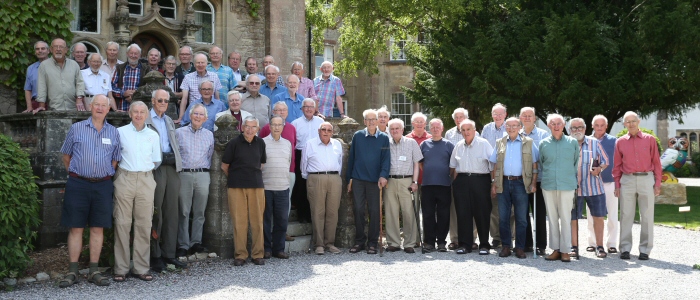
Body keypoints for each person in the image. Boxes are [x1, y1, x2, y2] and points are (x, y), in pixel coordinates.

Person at [58, 95, 119, 288]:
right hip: (78, 184)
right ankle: (73, 271)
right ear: (90, 107)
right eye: (97, 105)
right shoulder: (77, 129)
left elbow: (115, 160)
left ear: (108, 109)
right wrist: (78, 174)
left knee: (97, 227)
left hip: (102, 185)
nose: (100, 108)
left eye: (104, 105)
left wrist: (104, 172)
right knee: (75, 227)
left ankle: (94, 271)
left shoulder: (114, 132)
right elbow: (66, 156)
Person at [113, 101, 161, 282]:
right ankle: (121, 268)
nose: (139, 115)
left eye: (142, 112)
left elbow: (156, 160)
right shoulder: (120, 132)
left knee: (144, 224)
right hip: (125, 178)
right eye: (136, 112)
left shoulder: (153, 135)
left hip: (146, 179)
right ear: (130, 113)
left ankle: (141, 267)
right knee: (122, 223)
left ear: (146, 114)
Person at [145, 89, 187, 272]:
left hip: (171, 165)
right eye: (160, 100)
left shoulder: (169, 120)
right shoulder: (145, 119)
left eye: (166, 101)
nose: (163, 103)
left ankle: (169, 253)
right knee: (156, 212)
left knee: (172, 211)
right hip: (155, 167)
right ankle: (155, 255)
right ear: (153, 101)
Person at [613, 111, 662, 260]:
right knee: (626, 215)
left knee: (647, 215)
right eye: (628, 122)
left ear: (638, 122)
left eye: (633, 121)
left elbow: (656, 163)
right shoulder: (620, 142)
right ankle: (625, 248)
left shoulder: (650, 140)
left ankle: (645, 250)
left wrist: (657, 184)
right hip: (626, 180)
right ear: (624, 124)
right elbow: (617, 165)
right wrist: (617, 185)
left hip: (646, 179)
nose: (631, 124)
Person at [488, 117, 539, 259]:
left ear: (519, 127)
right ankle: (506, 246)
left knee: (521, 218)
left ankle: (520, 247)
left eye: (514, 126)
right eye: (508, 126)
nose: (511, 128)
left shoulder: (528, 143)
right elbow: (495, 164)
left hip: (521, 183)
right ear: (505, 127)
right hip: (503, 183)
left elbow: (535, 165)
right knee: (503, 217)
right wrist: (494, 183)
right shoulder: (500, 143)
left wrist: (533, 183)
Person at [221, 116, 267, 266]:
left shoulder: (260, 143)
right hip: (236, 186)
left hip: (256, 186)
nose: (250, 130)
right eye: (247, 126)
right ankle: (240, 255)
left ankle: (257, 254)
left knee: (257, 222)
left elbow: (262, 163)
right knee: (239, 222)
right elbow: (224, 166)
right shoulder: (234, 143)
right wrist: (237, 176)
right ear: (242, 127)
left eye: (253, 127)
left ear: (258, 129)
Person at [346, 109, 390, 254]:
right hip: (358, 179)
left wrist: (384, 175)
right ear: (364, 121)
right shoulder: (358, 136)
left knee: (374, 211)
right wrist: (349, 179)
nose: (371, 122)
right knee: (358, 210)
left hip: (375, 181)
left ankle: (372, 242)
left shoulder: (384, 138)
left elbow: (386, 158)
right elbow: (351, 158)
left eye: (374, 119)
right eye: (368, 119)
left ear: (378, 121)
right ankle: (359, 241)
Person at [176, 104, 215, 257]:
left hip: (203, 175)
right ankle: (183, 244)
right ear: (190, 116)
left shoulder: (209, 135)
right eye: (195, 114)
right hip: (184, 174)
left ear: (205, 119)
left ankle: (196, 242)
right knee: (184, 211)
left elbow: (210, 155)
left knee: (200, 210)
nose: (198, 117)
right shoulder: (179, 133)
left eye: (201, 115)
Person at [539, 114, 579, 262]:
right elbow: (542, 164)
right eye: (553, 124)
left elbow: (575, 163)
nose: (556, 126)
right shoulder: (543, 143)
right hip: (549, 184)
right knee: (553, 218)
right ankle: (556, 249)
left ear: (563, 126)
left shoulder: (572, 142)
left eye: (559, 123)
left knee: (566, 218)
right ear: (549, 126)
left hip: (567, 184)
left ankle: (566, 250)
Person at [451, 119, 494, 255]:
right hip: (462, 181)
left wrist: (493, 183)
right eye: (463, 130)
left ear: (474, 130)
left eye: (468, 129)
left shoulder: (484, 144)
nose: (466, 132)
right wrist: (456, 184)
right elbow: (453, 166)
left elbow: (493, 164)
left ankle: (484, 245)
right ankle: (465, 245)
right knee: (463, 213)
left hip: (480, 181)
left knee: (482, 213)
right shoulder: (458, 145)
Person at [568, 118, 609, 258]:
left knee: (598, 217)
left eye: (580, 127)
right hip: (573, 188)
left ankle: (600, 246)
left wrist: (599, 169)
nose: (577, 130)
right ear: (569, 130)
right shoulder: (566, 144)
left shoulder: (595, 143)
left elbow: (605, 161)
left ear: (585, 129)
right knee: (573, 218)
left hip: (594, 187)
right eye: (574, 128)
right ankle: (574, 247)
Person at [301, 122, 343, 255]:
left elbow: (340, 162)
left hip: (334, 178)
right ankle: (319, 244)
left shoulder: (337, 144)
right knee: (318, 212)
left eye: (329, 130)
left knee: (332, 212)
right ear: (319, 131)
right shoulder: (310, 144)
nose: (326, 132)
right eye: (323, 129)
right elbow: (304, 164)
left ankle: (329, 243)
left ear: (332, 132)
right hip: (316, 177)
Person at [385, 118, 423, 253]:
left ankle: (409, 243)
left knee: (409, 212)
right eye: (392, 129)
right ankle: (393, 242)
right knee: (391, 212)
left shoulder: (411, 143)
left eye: (397, 128)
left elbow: (416, 164)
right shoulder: (386, 143)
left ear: (402, 129)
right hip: (389, 181)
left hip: (407, 181)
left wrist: (415, 181)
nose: (394, 131)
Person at [443, 108, 478, 250]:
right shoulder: (449, 134)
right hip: (454, 176)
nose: (459, 119)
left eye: (461, 116)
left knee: (472, 208)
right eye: (456, 117)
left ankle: (472, 238)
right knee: (454, 209)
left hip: (470, 176)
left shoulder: (475, 133)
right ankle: (455, 238)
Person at [258, 102, 298, 222]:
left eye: (283, 110)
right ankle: (268, 232)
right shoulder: (266, 128)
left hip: (288, 171)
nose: (281, 112)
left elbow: (293, 147)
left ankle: (283, 231)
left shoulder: (292, 128)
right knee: (268, 206)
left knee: (286, 202)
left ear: (287, 112)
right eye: (278, 110)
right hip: (269, 174)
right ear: (273, 112)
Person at [419, 118, 454, 252]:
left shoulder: (448, 145)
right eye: (432, 127)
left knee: (443, 214)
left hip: (444, 185)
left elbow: (453, 166)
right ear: (429, 128)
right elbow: (421, 164)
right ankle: (430, 242)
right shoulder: (424, 144)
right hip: (427, 185)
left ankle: (441, 242)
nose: (435, 129)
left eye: (437, 127)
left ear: (442, 128)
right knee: (427, 214)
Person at [520, 107, 550, 255]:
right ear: (520, 117)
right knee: (523, 213)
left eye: (529, 116)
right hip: (521, 180)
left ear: (535, 118)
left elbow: (545, 157)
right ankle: (526, 244)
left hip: (539, 179)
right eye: (524, 116)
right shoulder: (516, 134)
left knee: (539, 213)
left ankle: (541, 244)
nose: (527, 118)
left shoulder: (543, 134)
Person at [262, 115, 292, 260]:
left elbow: (288, 162)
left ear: (283, 126)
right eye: (274, 124)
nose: (276, 127)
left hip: (283, 187)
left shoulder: (287, 144)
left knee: (281, 220)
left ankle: (278, 249)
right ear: (269, 126)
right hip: (266, 187)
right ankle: (266, 248)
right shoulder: (262, 143)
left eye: (279, 125)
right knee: (266, 220)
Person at [587, 115, 619, 254]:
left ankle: (611, 243)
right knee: (591, 215)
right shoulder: (586, 140)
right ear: (592, 126)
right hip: (591, 183)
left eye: (602, 125)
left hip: (609, 182)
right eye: (597, 125)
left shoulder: (614, 141)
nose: (599, 128)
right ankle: (592, 243)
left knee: (612, 215)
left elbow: (618, 162)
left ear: (606, 126)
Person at [291, 99, 325, 224]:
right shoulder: (295, 123)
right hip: (300, 153)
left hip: (317, 154)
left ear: (315, 109)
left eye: (311, 107)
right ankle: (302, 215)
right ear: (302, 108)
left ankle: (313, 215)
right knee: (301, 184)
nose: (309, 109)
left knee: (315, 184)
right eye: (306, 106)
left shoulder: (321, 122)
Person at [481, 103, 508, 248]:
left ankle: (509, 236)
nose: (497, 116)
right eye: (494, 113)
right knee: (493, 206)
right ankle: (496, 237)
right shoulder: (487, 128)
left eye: (500, 114)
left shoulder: (510, 127)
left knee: (508, 208)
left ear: (505, 115)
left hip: (506, 171)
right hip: (489, 171)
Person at [36, 38, 85, 113]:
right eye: (55, 46)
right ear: (51, 49)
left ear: (66, 50)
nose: (58, 49)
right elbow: (41, 86)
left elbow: (80, 83)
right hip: (54, 109)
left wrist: (79, 99)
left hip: (73, 108)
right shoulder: (44, 65)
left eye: (61, 47)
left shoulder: (74, 65)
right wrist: (41, 105)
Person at [177, 53, 223, 123]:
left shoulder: (214, 76)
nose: (200, 65)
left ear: (207, 64)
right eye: (198, 63)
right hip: (194, 113)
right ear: (194, 64)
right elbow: (184, 98)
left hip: (211, 112)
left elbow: (217, 98)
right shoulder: (188, 77)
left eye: (202, 62)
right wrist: (181, 117)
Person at [111, 44, 149, 111]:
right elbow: (112, 87)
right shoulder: (119, 68)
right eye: (131, 53)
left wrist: (136, 95)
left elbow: (149, 88)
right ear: (127, 54)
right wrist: (123, 93)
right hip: (122, 108)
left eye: (136, 54)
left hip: (140, 108)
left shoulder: (146, 69)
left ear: (140, 55)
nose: (133, 56)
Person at [22, 40, 49, 113]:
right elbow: (28, 89)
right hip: (36, 104)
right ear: (35, 52)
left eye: (43, 48)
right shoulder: (31, 68)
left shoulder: (55, 66)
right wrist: (29, 106)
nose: (40, 51)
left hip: (52, 104)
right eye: (37, 49)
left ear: (48, 51)